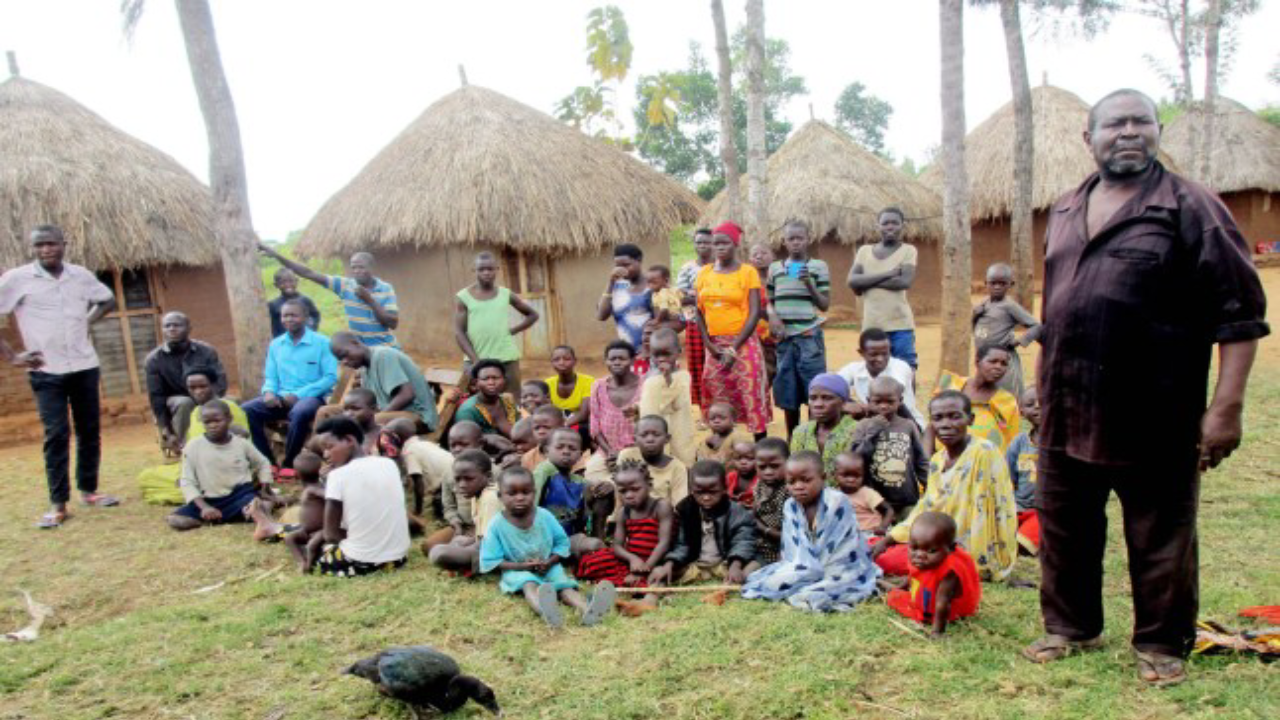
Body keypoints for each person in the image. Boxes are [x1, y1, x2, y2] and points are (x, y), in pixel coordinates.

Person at [1024, 90, 1268, 686]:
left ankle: (1161, 642)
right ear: (1090, 138)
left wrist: (1225, 409)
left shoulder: (1192, 208)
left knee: (1160, 531)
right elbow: (1057, 308)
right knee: (1064, 523)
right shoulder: (1063, 209)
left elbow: (1240, 314)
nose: (1128, 132)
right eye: (1115, 123)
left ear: (1159, 131)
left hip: (1154, 410)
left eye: (1141, 122)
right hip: (1066, 403)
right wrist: (1038, 387)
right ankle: (1071, 626)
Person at [0, 225, 120, 528]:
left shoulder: (79, 275)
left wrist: (86, 321)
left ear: (63, 244)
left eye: (51, 244)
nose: (46, 250)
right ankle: (58, 504)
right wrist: (13, 357)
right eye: (39, 245)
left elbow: (107, 299)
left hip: (83, 365)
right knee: (56, 434)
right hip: (46, 370)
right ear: (33, 248)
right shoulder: (17, 279)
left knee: (89, 429)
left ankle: (89, 490)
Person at [872, 391, 1018, 583]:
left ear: (970, 419)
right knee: (872, 546)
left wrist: (966, 560)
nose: (946, 424)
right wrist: (889, 539)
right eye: (938, 418)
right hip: (938, 542)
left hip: (969, 550)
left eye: (955, 416)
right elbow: (927, 508)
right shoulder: (937, 460)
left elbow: (989, 515)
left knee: (887, 561)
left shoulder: (984, 452)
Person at [742, 451, 881, 612]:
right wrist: (800, 570)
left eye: (806, 480)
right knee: (767, 580)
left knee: (814, 592)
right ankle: (807, 581)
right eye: (791, 482)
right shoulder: (790, 506)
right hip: (805, 566)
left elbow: (842, 549)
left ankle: (813, 584)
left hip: (839, 566)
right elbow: (793, 549)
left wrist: (812, 570)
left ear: (823, 477)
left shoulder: (837, 501)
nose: (798, 486)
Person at [478, 466, 616, 629]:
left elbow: (561, 543)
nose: (520, 498)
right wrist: (522, 566)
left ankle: (588, 610)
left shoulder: (544, 515)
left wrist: (550, 561)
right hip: (517, 570)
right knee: (530, 586)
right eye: (512, 493)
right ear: (500, 496)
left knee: (565, 587)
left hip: (548, 566)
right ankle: (548, 613)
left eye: (526, 492)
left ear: (534, 493)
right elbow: (492, 559)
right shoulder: (496, 524)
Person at [242, 299, 339, 470]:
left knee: (300, 412)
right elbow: (271, 376)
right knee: (247, 410)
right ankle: (267, 462)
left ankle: (290, 464)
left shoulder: (322, 343)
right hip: (280, 397)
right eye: (285, 316)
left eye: (294, 315)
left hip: (312, 397)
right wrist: (269, 392)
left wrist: (299, 395)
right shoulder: (276, 344)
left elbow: (330, 378)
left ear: (306, 317)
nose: (289, 319)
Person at [695, 222, 771, 438]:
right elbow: (698, 311)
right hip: (714, 344)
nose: (719, 247)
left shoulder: (747, 272)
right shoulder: (704, 273)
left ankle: (760, 448)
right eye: (715, 243)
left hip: (744, 343)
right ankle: (724, 450)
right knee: (718, 397)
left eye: (724, 243)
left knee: (751, 394)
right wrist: (709, 344)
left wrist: (733, 348)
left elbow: (755, 312)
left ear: (735, 244)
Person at [137, 366, 251, 506]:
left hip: (225, 469)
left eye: (203, 386)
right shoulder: (196, 411)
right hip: (198, 469)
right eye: (192, 387)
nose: (198, 392)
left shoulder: (228, 407)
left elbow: (243, 441)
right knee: (146, 476)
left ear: (214, 385)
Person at [313, 417, 410, 577]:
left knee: (314, 545)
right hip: (398, 559)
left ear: (350, 440)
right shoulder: (388, 464)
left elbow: (330, 534)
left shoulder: (337, 476)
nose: (325, 454)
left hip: (361, 563)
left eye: (329, 447)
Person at [258, 243, 399, 347]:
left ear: (372, 268)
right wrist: (277, 256)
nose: (356, 271)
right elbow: (308, 273)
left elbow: (392, 323)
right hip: (363, 351)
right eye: (353, 267)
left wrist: (370, 300)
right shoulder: (345, 286)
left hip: (387, 349)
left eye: (361, 267)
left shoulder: (385, 289)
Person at [575, 460, 675, 607]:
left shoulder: (661, 507)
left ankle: (647, 600)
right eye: (623, 491)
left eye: (635, 489)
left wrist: (643, 568)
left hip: (655, 560)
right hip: (632, 562)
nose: (629, 495)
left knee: (658, 576)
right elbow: (617, 546)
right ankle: (616, 587)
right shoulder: (624, 512)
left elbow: (664, 543)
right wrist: (632, 559)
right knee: (594, 559)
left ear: (649, 485)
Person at [767, 220, 831, 437]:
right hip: (784, 340)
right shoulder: (775, 268)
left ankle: (812, 438)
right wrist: (773, 318)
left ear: (808, 239)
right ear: (784, 242)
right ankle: (793, 439)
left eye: (799, 238)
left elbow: (824, 304)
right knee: (788, 393)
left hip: (809, 337)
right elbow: (768, 300)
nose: (795, 243)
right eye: (791, 239)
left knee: (815, 392)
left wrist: (808, 283)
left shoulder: (818, 266)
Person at [167, 401, 274, 531]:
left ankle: (251, 510)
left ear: (229, 419)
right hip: (208, 500)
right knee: (175, 520)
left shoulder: (241, 443)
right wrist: (204, 507)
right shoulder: (193, 446)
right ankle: (218, 516)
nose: (212, 426)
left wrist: (265, 485)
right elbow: (187, 481)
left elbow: (263, 462)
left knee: (258, 505)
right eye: (207, 422)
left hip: (239, 495)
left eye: (217, 421)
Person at [650, 460, 756, 586]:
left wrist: (735, 565)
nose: (706, 497)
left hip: (725, 563)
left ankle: (725, 588)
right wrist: (670, 564)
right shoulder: (685, 510)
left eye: (713, 492)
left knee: (754, 566)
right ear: (691, 490)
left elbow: (743, 540)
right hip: (694, 565)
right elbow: (681, 544)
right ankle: (651, 598)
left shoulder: (735, 511)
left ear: (724, 489)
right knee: (660, 571)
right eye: (700, 492)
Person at [885, 511, 983, 636]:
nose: (920, 555)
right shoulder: (925, 559)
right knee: (899, 591)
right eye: (914, 547)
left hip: (948, 612)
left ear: (950, 548)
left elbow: (943, 602)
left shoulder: (950, 571)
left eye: (931, 551)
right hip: (931, 597)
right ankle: (895, 588)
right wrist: (902, 587)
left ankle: (892, 591)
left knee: (894, 598)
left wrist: (937, 632)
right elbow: (915, 574)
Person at [143, 311, 228, 453]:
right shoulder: (154, 359)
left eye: (177, 325)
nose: (171, 329)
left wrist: (212, 400)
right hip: (175, 400)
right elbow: (156, 396)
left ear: (189, 328)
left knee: (233, 402)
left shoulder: (206, 351)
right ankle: (187, 449)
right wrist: (165, 428)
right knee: (185, 402)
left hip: (207, 395)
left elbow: (220, 381)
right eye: (167, 326)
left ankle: (229, 444)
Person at [455, 252, 539, 392]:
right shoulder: (464, 296)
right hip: (475, 359)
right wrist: (475, 361)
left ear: (497, 270)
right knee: (472, 400)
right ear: (474, 270)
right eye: (481, 269)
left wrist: (512, 331)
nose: (486, 273)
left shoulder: (505, 294)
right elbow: (459, 332)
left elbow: (532, 315)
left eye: (490, 269)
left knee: (511, 401)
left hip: (506, 358)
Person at [847, 207, 919, 370]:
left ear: (902, 225)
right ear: (878, 226)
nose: (890, 227)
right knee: (875, 371)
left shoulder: (908, 250)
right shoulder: (864, 252)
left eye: (895, 223)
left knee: (906, 370)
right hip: (872, 326)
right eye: (885, 223)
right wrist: (889, 274)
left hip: (900, 325)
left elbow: (904, 282)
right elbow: (852, 281)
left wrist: (866, 281)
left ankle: (908, 397)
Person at [328, 332, 438, 433]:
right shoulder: (365, 370)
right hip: (390, 413)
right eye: (340, 359)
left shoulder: (383, 355)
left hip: (417, 416)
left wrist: (381, 414)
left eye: (345, 354)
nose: (345, 361)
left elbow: (407, 394)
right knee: (326, 412)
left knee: (373, 420)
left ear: (355, 343)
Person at [852, 376, 929, 519]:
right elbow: (856, 459)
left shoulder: (908, 425)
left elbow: (921, 460)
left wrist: (930, 487)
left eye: (890, 401)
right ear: (868, 401)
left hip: (907, 499)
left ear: (900, 401)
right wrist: (872, 432)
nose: (883, 406)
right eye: (877, 402)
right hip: (875, 503)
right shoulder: (863, 426)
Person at [531, 428, 614, 551]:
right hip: (544, 540)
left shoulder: (578, 480)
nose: (566, 451)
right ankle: (598, 547)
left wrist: (608, 487)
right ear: (546, 451)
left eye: (572, 448)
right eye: (560, 447)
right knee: (594, 546)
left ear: (580, 456)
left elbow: (596, 490)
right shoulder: (543, 472)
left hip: (569, 538)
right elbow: (531, 505)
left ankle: (598, 535)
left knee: (603, 491)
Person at [928, 344, 1021, 453]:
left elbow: (1013, 441)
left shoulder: (1006, 401)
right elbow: (931, 427)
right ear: (977, 362)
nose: (998, 367)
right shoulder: (952, 385)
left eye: (1004, 364)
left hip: (988, 464)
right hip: (946, 461)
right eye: (993, 361)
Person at [972, 263, 1041, 396]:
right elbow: (976, 328)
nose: (997, 287)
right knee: (988, 395)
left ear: (1011, 284)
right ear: (986, 283)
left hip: (1002, 362)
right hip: (985, 360)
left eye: (1002, 283)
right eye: (993, 283)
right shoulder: (983, 304)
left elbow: (1036, 326)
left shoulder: (1009, 306)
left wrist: (1020, 341)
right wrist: (975, 315)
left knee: (1006, 396)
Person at [836, 327, 925, 430]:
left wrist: (860, 408)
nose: (880, 359)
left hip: (905, 423)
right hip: (875, 423)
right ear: (861, 353)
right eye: (874, 354)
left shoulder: (900, 367)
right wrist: (844, 404)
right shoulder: (854, 369)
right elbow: (829, 388)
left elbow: (891, 395)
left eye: (885, 353)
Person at [428, 449, 501, 573]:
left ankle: (478, 567)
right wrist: (462, 543)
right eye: (458, 479)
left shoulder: (490, 498)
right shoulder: (477, 494)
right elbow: (480, 534)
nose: (461, 484)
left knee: (439, 553)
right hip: (484, 542)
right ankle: (466, 563)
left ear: (488, 476)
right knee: (456, 542)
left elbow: (489, 541)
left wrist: (465, 549)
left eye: (468, 479)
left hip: (498, 550)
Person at [639, 327, 696, 468]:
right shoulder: (649, 376)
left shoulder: (682, 377)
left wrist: (668, 378)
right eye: (656, 355)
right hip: (654, 432)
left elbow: (676, 404)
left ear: (678, 352)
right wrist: (635, 409)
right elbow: (649, 403)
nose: (661, 359)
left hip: (678, 430)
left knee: (682, 462)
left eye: (666, 354)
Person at [585, 341, 642, 482]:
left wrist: (623, 455)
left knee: (629, 480)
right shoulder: (598, 386)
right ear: (606, 361)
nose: (617, 362)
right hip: (607, 451)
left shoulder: (645, 386)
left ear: (632, 360)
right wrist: (610, 451)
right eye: (612, 359)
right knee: (591, 476)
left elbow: (651, 425)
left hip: (639, 451)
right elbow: (595, 428)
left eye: (622, 359)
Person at [790, 373, 859, 484]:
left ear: (844, 403)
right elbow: (794, 471)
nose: (818, 404)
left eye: (827, 398)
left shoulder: (856, 431)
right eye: (813, 398)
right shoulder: (801, 432)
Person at [614, 415, 690, 514]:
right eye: (644, 435)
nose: (650, 439)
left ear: (667, 438)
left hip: (662, 519)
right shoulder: (627, 456)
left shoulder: (677, 468)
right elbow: (619, 493)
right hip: (630, 514)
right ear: (635, 439)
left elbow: (678, 505)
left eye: (656, 435)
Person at [382, 417, 452, 523]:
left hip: (449, 485)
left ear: (396, 438)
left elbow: (418, 483)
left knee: (438, 508)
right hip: (455, 477)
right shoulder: (425, 443)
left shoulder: (410, 452)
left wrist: (418, 511)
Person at [676, 228, 714, 405]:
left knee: (718, 365)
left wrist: (695, 295)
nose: (703, 245)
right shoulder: (687, 268)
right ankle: (704, 410)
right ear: (694, 245)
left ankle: (723, 409)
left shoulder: (720, 267)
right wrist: (704, 296)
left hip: (718, 323)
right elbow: (681, 297)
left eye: (707, 242)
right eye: (699, 242)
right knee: (698, 366)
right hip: (694, 323)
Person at [597, 244, 654, 357]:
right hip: (626, 354)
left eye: (626, 265)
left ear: (639, 260)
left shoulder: (652, 286)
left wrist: (649, 349)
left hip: (650, 353)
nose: (622, 270)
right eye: (618, 266)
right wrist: (611, 283)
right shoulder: (617, 286)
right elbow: (601, 316)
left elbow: (661, 321)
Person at [1006, 387, 1042, 555]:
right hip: (1019, 507)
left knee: (1024, 543)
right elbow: (1007, 478)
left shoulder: (1063, 441)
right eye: (1030, 404)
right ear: (1021, 411)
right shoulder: (1019, 442)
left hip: (1047, 510)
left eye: (1043, 401)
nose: (1037, 406)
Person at [281, 451, 327, 572]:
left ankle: (309, 565)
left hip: (321, 530)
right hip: (306, 531)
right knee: (289, 538)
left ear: (296, 474)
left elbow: (329, 495)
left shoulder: (314, 489)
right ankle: (301, 562)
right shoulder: (310, 488)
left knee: (312, 546)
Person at [748, 437, 789, 567]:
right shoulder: (760, 485)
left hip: (783, 548)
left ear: (788, 462)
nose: (768, 472)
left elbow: (791, 537)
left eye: (775, 466)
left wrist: (762, 528)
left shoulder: (791, 491)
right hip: (760, 545)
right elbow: (755, 512)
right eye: (762, 467)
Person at [835, 451, 893, 537]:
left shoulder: (867, 494)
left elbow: (888, 510)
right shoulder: (833, 495)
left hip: (871, 531)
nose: (851, 480)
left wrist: (883, 527)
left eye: (856, 476)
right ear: (834, 475)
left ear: (863, 476)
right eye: (846, 475)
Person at [455, 359, 519, 438]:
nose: (491, 383)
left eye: (496, 378)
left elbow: (519, 431)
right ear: (476, 383)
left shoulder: (508, 402)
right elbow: (466, 440)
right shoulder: (468, 410)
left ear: (504, 380)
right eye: (485, 379)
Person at [545, 345, 593, 446]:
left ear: (575, 361)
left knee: (584, 430)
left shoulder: (588, 381)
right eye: (556, 359)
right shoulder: (548, 384)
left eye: (566, 359)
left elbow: (583, 413)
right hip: (556, 423)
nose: (561, 362)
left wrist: (563, 425)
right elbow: (548, 411)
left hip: (580, 424)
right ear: (552, 363)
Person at [266, 267, 320, 338]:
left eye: (291, 281)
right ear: (276, 285)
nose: (288, 285)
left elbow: (315, 316)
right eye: (283, 282)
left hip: (304, 338)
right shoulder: (273, 305)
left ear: (297, 281)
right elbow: (272, 325)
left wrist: (311, 330)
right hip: (284, 341)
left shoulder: (305, 300)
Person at [341, 388, 382, 456]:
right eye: (346, 409)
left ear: (373, 409)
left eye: (355, 409)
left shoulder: (384, 434)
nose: (348, 414)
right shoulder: (342, 436)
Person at [725, 441, 758, 508]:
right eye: (738, 458)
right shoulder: (730, 477)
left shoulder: (761, 479)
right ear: (732, 460)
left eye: (750, 458)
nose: (743, 462)